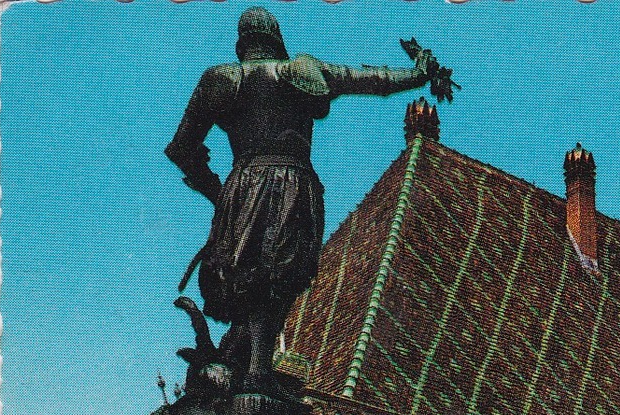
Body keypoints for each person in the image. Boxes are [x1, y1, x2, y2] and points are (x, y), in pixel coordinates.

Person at [166, 8, 447, 391]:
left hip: (242, 183)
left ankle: (253, 370)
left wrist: (218, 193)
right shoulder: (300, 71)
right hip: (292, 184)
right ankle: (258, 373)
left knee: (249, 273)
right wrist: (418, 72)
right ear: (276, 40)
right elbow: (371, 80)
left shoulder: (219, 81)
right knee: (283, 272)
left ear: (242, 43)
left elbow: (182, 149)